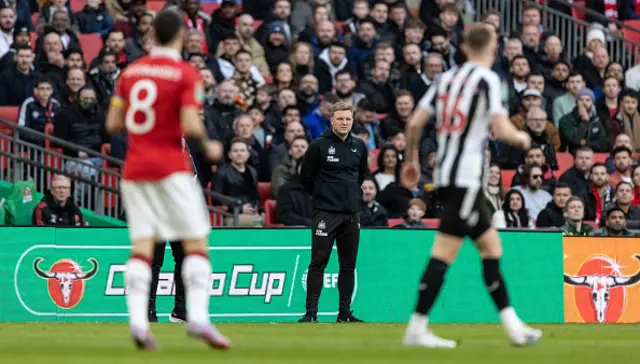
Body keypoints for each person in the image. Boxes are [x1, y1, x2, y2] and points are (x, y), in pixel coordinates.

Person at [400, 23, 542, 348]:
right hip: (465, 179)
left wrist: (411, 160)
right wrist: (521, 137)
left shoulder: (444, 78)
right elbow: (501, 128)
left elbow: (414, 123)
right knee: (443, 253)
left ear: (463, 47)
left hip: (448, 176)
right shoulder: (488, 79)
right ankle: (417, 327)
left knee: (491, 247)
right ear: (492, 48)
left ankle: (514, 326)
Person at [105, 9, 231, 351]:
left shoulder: (130, 73)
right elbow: (191, 126)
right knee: (195, 242)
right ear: (178, 36)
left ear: (153, 35)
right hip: (171, 168)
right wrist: (209, 145)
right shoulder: (184, 73)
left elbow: (113, 123)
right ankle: (199, 319)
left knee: (142, 247)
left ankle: (138, 325)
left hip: (135, 168)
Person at [299, 100, 368, 323]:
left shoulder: (359, 146)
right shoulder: (318, 146)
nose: (345, 123)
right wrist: (324, 195)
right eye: (340, 118)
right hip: (325, 213)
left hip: (351, 214)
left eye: (348, 119)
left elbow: (360, 177)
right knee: (318, 262)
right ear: (332, 120)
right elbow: (305, 178)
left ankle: (344, 314)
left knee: (348, 265)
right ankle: (311, 314)